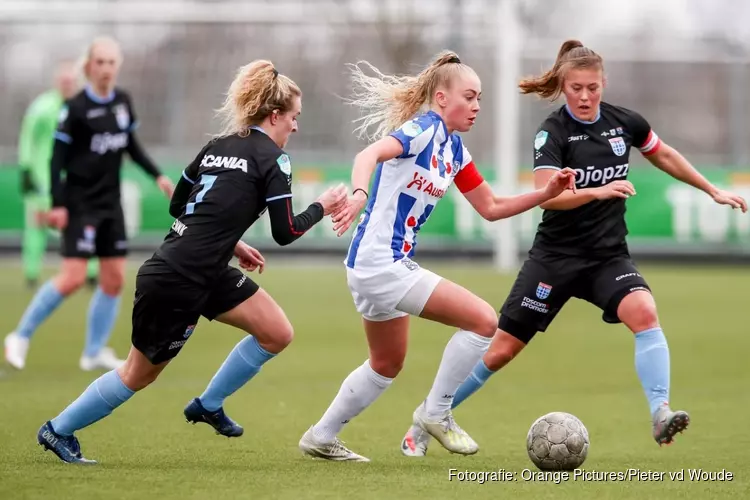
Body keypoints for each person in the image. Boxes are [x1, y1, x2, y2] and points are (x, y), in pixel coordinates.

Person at [399, 39, 749, 457]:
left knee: (645, 312)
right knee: (500, 351)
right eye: (575, 89)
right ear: (563, 87)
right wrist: (598, 191)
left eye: (593, 88)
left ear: (603, 84)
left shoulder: (624, 123)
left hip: (607, 257)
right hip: (555, 259)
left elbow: (665, 154)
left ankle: (660, 413)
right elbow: (546, 196)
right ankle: (426, 419)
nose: (585, 97)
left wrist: (712, 189)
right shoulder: (553, 132)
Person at [36, 59, 348, 464]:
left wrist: (229, 244)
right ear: (275, 116)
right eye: (294, 117)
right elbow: (285, 232)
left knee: (276, 332)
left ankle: (208, 404)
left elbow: (179, 205)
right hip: (177, 279)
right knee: (137, 375)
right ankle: (58, 429)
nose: (296, 126)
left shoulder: (218, 144)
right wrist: (322, 206)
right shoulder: (275, 159)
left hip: (202, 267)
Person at [298, 51, 576, 462]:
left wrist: (545, 195)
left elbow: (491, 207)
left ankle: (321, 435)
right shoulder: (424, 129)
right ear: (442, 98)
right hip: (381, 261)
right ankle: (437, 412)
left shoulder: (454, 150)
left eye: (480, 97)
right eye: (470, 96)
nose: (478, 105)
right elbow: (367, 156)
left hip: (373, 266)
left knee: (386, 363)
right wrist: (359, 195)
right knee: (483, 321)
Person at [4, 36, 174, 372]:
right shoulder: (76, 108)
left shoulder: (122, 102)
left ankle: (93, 351)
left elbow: (132, 146)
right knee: (72, 277)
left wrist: (158, 176)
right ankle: (20, 335)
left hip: (111, 203)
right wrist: (57, 203)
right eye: (101, 62)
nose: (107, 69)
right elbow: (56, 159)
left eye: (112, 62)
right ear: (89, 67)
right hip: (80, 203)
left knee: (113, 280)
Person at [17, 61, 99, 288]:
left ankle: (90, 272)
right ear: (56, 82)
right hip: (43, 176)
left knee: (84, 222)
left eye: (71, 81)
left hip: (75, 177)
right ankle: (31, 273)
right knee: (38, 224)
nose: (67, 85)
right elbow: (28, 138)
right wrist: (26, 168)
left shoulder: (83, 107)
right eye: (64, 81)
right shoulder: (42, 108)